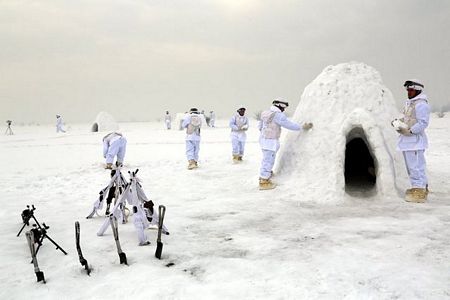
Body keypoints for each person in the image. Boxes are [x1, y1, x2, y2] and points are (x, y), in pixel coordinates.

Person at [258, 99, 313, 190]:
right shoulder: (278, 116)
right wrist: (302, 127)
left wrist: (265, 134)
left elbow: (260, 126)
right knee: (269, 160)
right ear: (280, 106)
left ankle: (266, 174)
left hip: (264, 140)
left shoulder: (266, 113)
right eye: (284, 107)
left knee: (266, 159)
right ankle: (264, 180)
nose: (285, 109)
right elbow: (289, 125)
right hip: (271, 142)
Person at [394, 79, 430, 203]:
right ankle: (420, 188)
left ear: (417, 90)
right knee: (413, 166)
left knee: (416, 167)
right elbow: (408, 118)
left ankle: (419, 191)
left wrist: (410, 131)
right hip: (408, 142)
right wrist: (399, 123)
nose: (409, 92)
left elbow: (423, 123)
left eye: (411, 90)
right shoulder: (410, 103)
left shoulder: (421, 104)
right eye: (408, 90)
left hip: (415, 141)